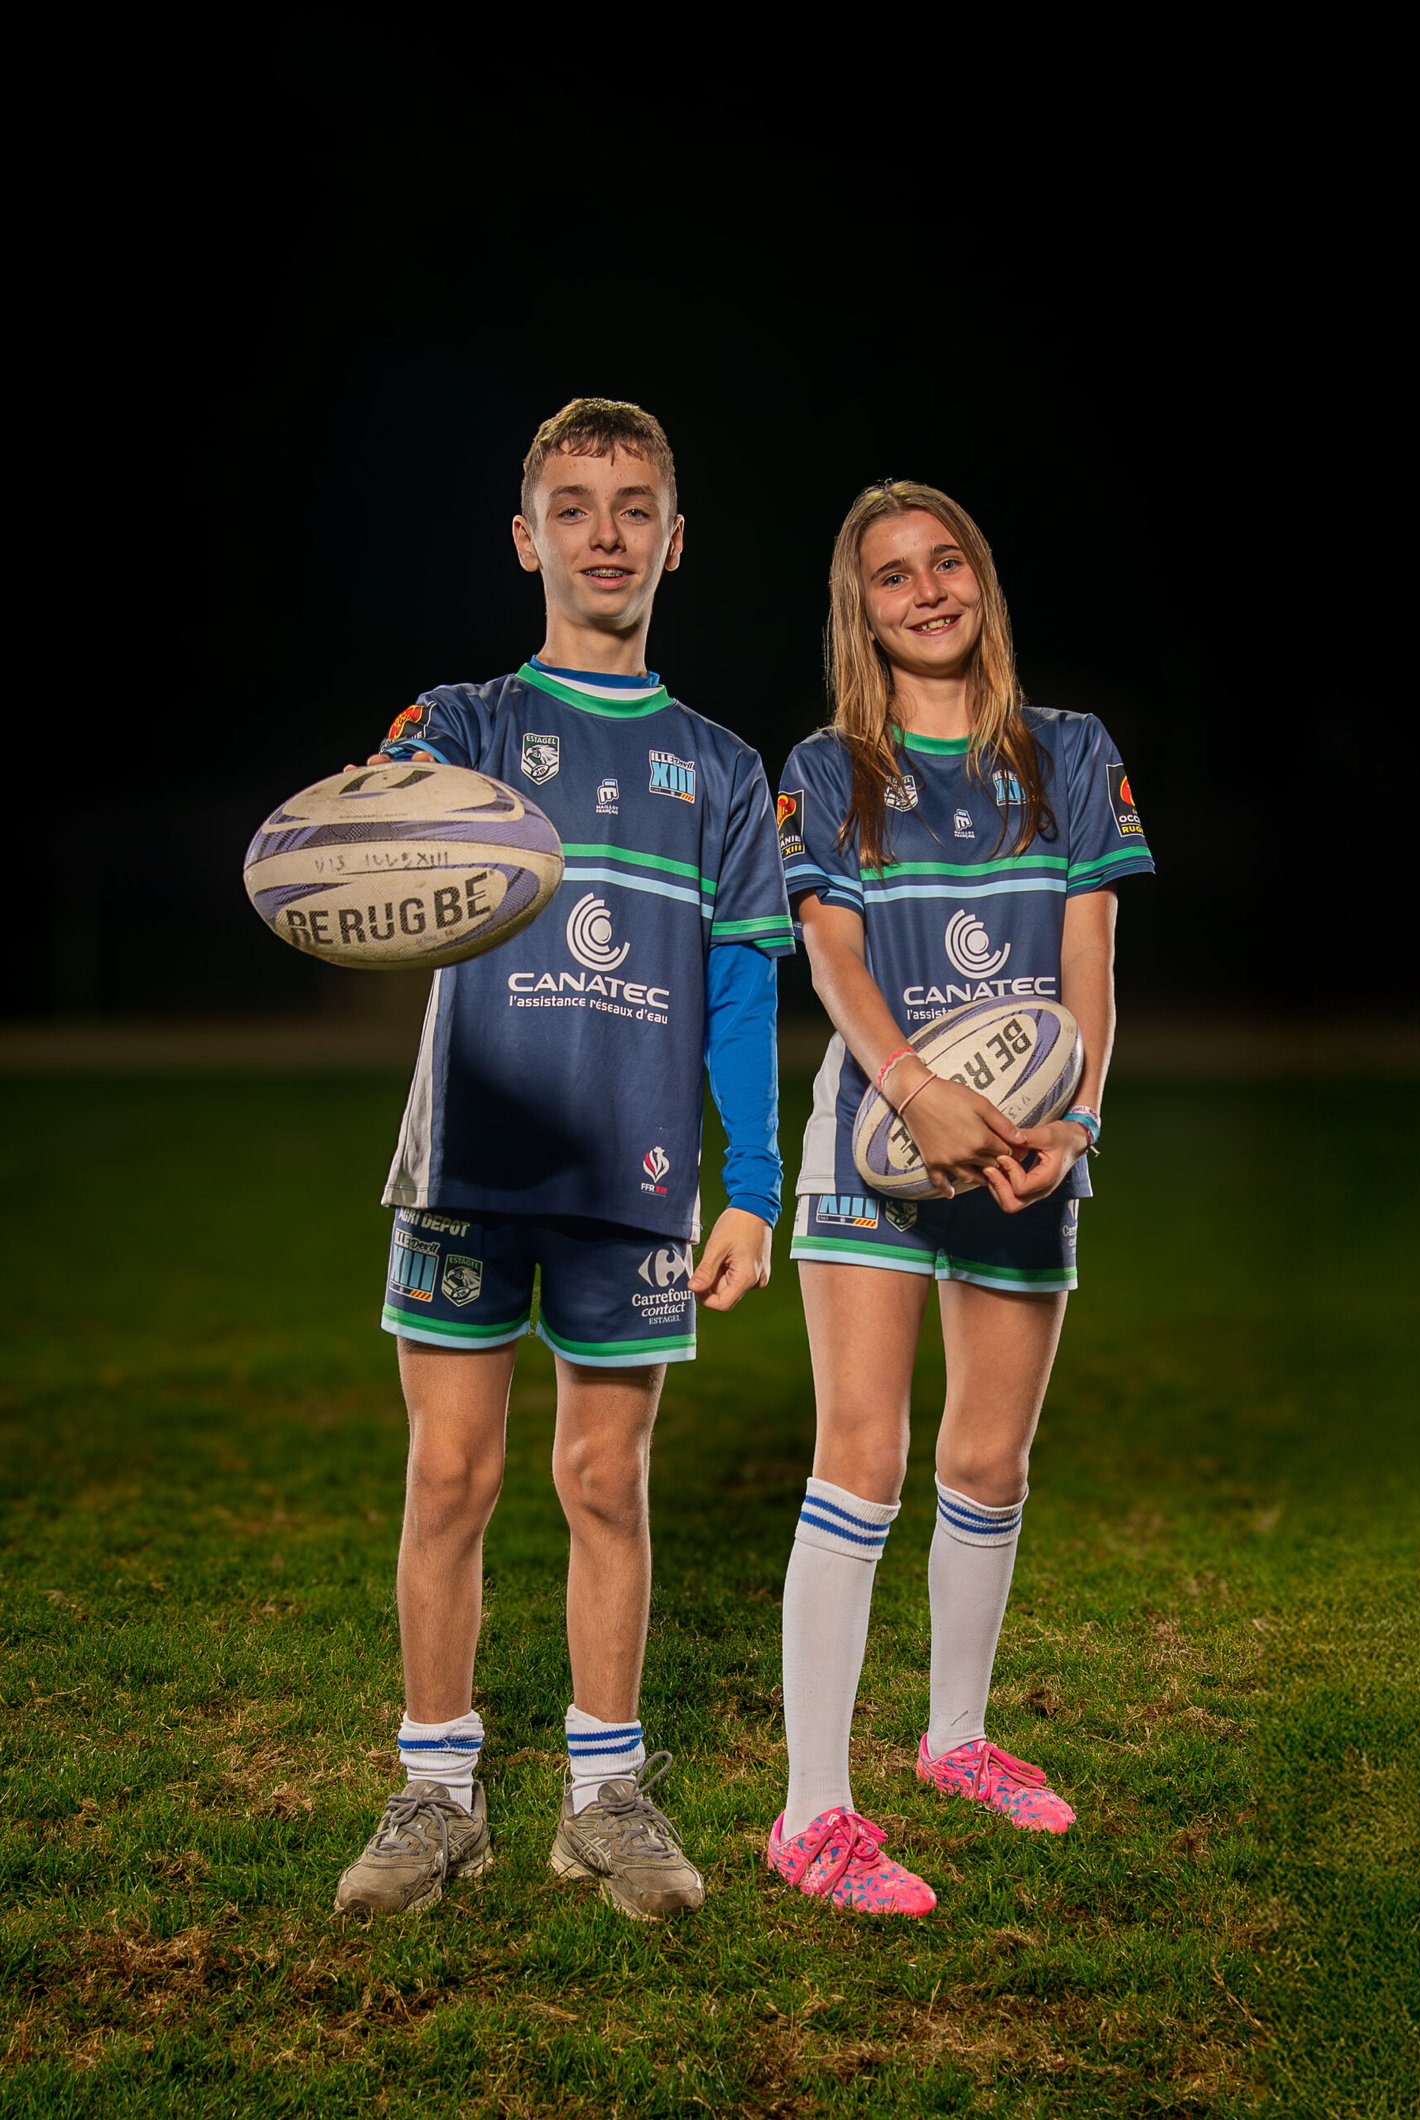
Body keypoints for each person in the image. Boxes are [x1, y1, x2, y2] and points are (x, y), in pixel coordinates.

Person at [334, 399, 793, 1920]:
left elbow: (739, 991)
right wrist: (384, 795)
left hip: (636, 1177)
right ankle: (437, 1792)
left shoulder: (721, 774)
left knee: (607, 1477)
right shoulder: (467, 723)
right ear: (527, 538)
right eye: (576, 506)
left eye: (636, 505)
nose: (607, 533)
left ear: (677, 539)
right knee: (449, 1472)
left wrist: (751, 1186)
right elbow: (384, 817)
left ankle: (606, 1796)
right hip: (472, 1159)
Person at [768, 479, 1155, 1915]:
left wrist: (1076, 1118)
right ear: (857, 609)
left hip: (1025, 1147)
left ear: (982, 581)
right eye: (891, 576)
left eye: (947, 565)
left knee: (987, 1466)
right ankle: (812, 1814)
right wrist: (913, 1094)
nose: (925, 591)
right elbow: (834, 959)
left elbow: (1089, 956)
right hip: (882, 1139)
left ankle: (955, 1741)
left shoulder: (1071, 751)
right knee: (860, 1460)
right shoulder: (824, 767)